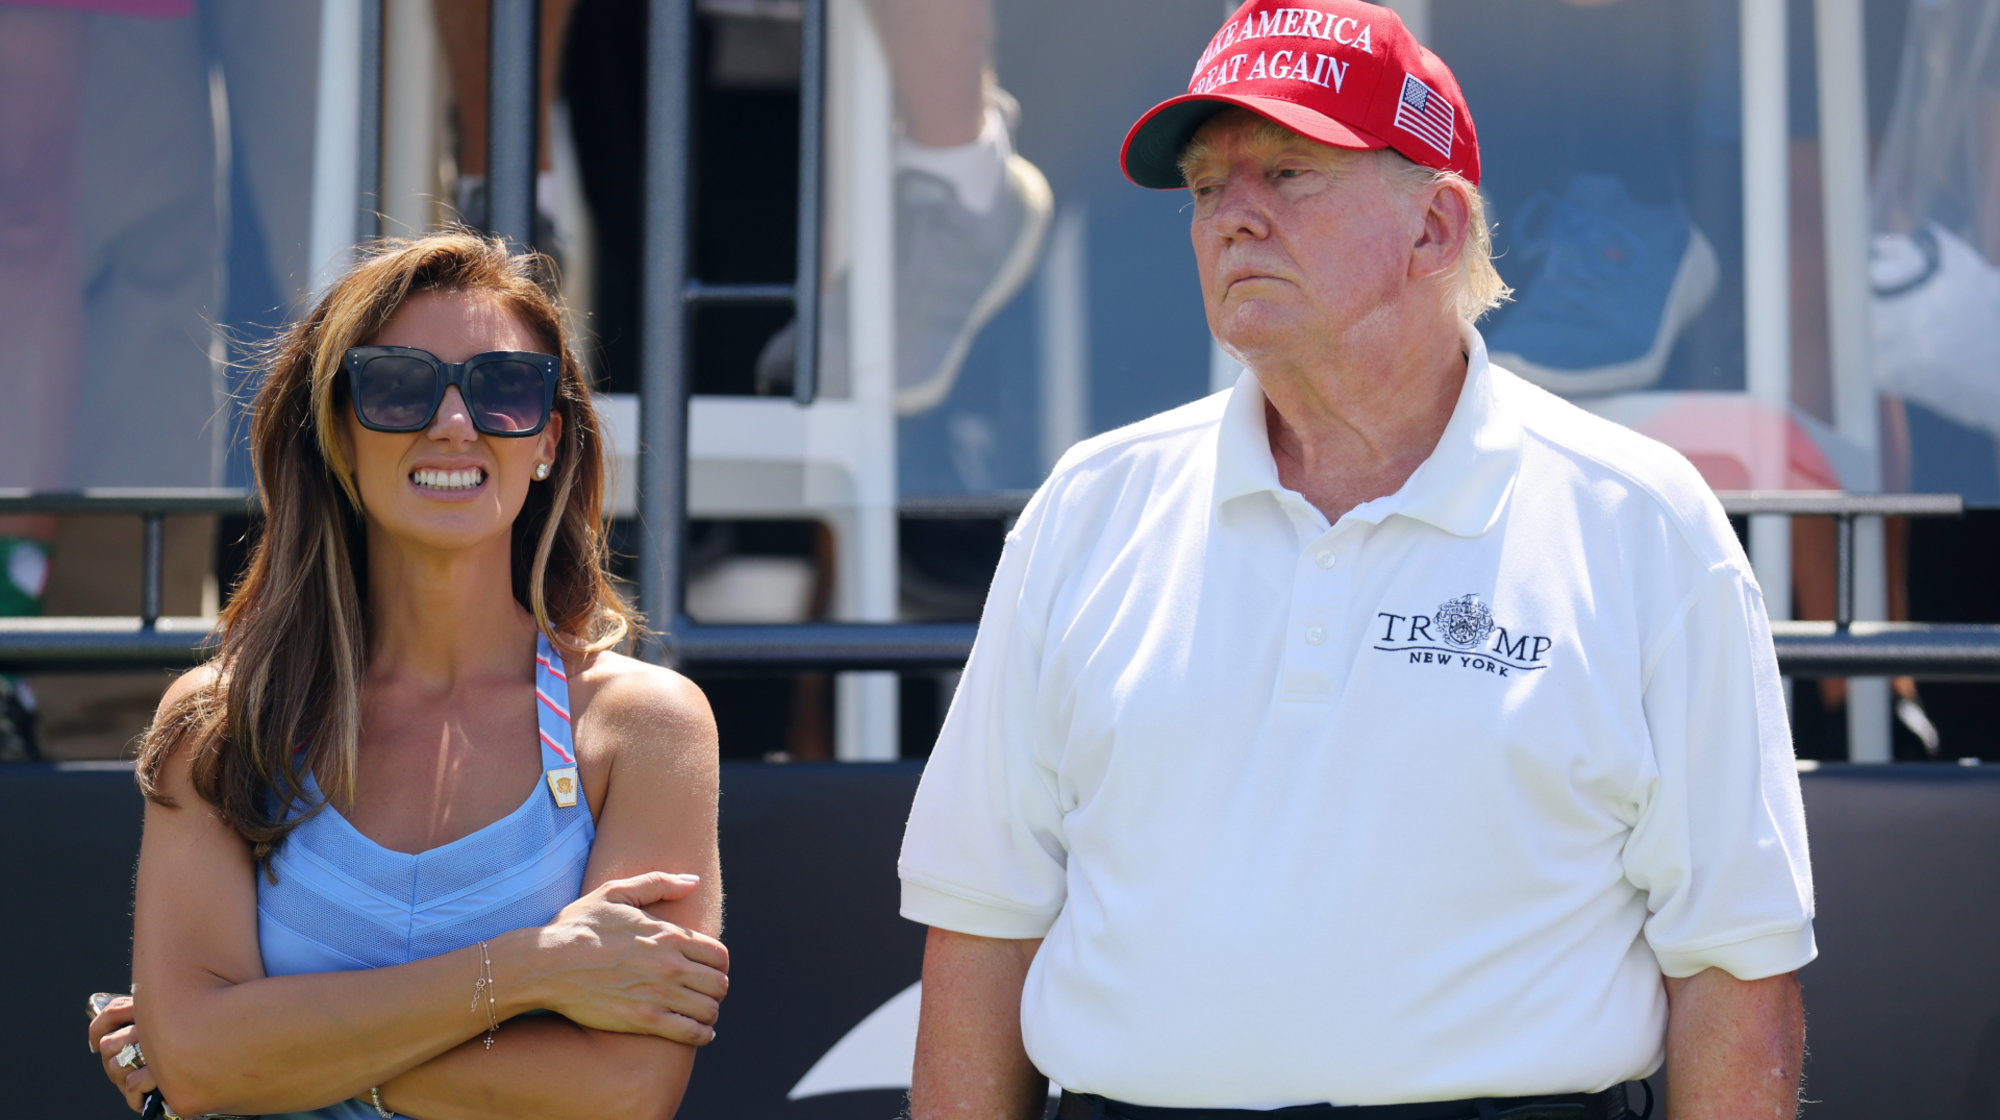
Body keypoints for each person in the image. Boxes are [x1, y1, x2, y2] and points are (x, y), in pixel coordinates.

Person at [897, 1, 1815, 1117]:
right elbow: (982, 926)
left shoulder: (1638, 518)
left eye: (1285, 174)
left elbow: (1734, 961)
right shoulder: (1088, 508)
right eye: (1203, 188)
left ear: (1434, 227)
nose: (1230, 218)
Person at [84, 231, 729, 1120]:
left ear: (549, 438)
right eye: (398, 386)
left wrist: (277, 1056)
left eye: (505, 390)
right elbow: (197, 1062)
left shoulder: (645, 725)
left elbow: (624, 1089)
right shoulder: (223, 720)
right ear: (340, 433)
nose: (454, 422)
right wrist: (530, 969)